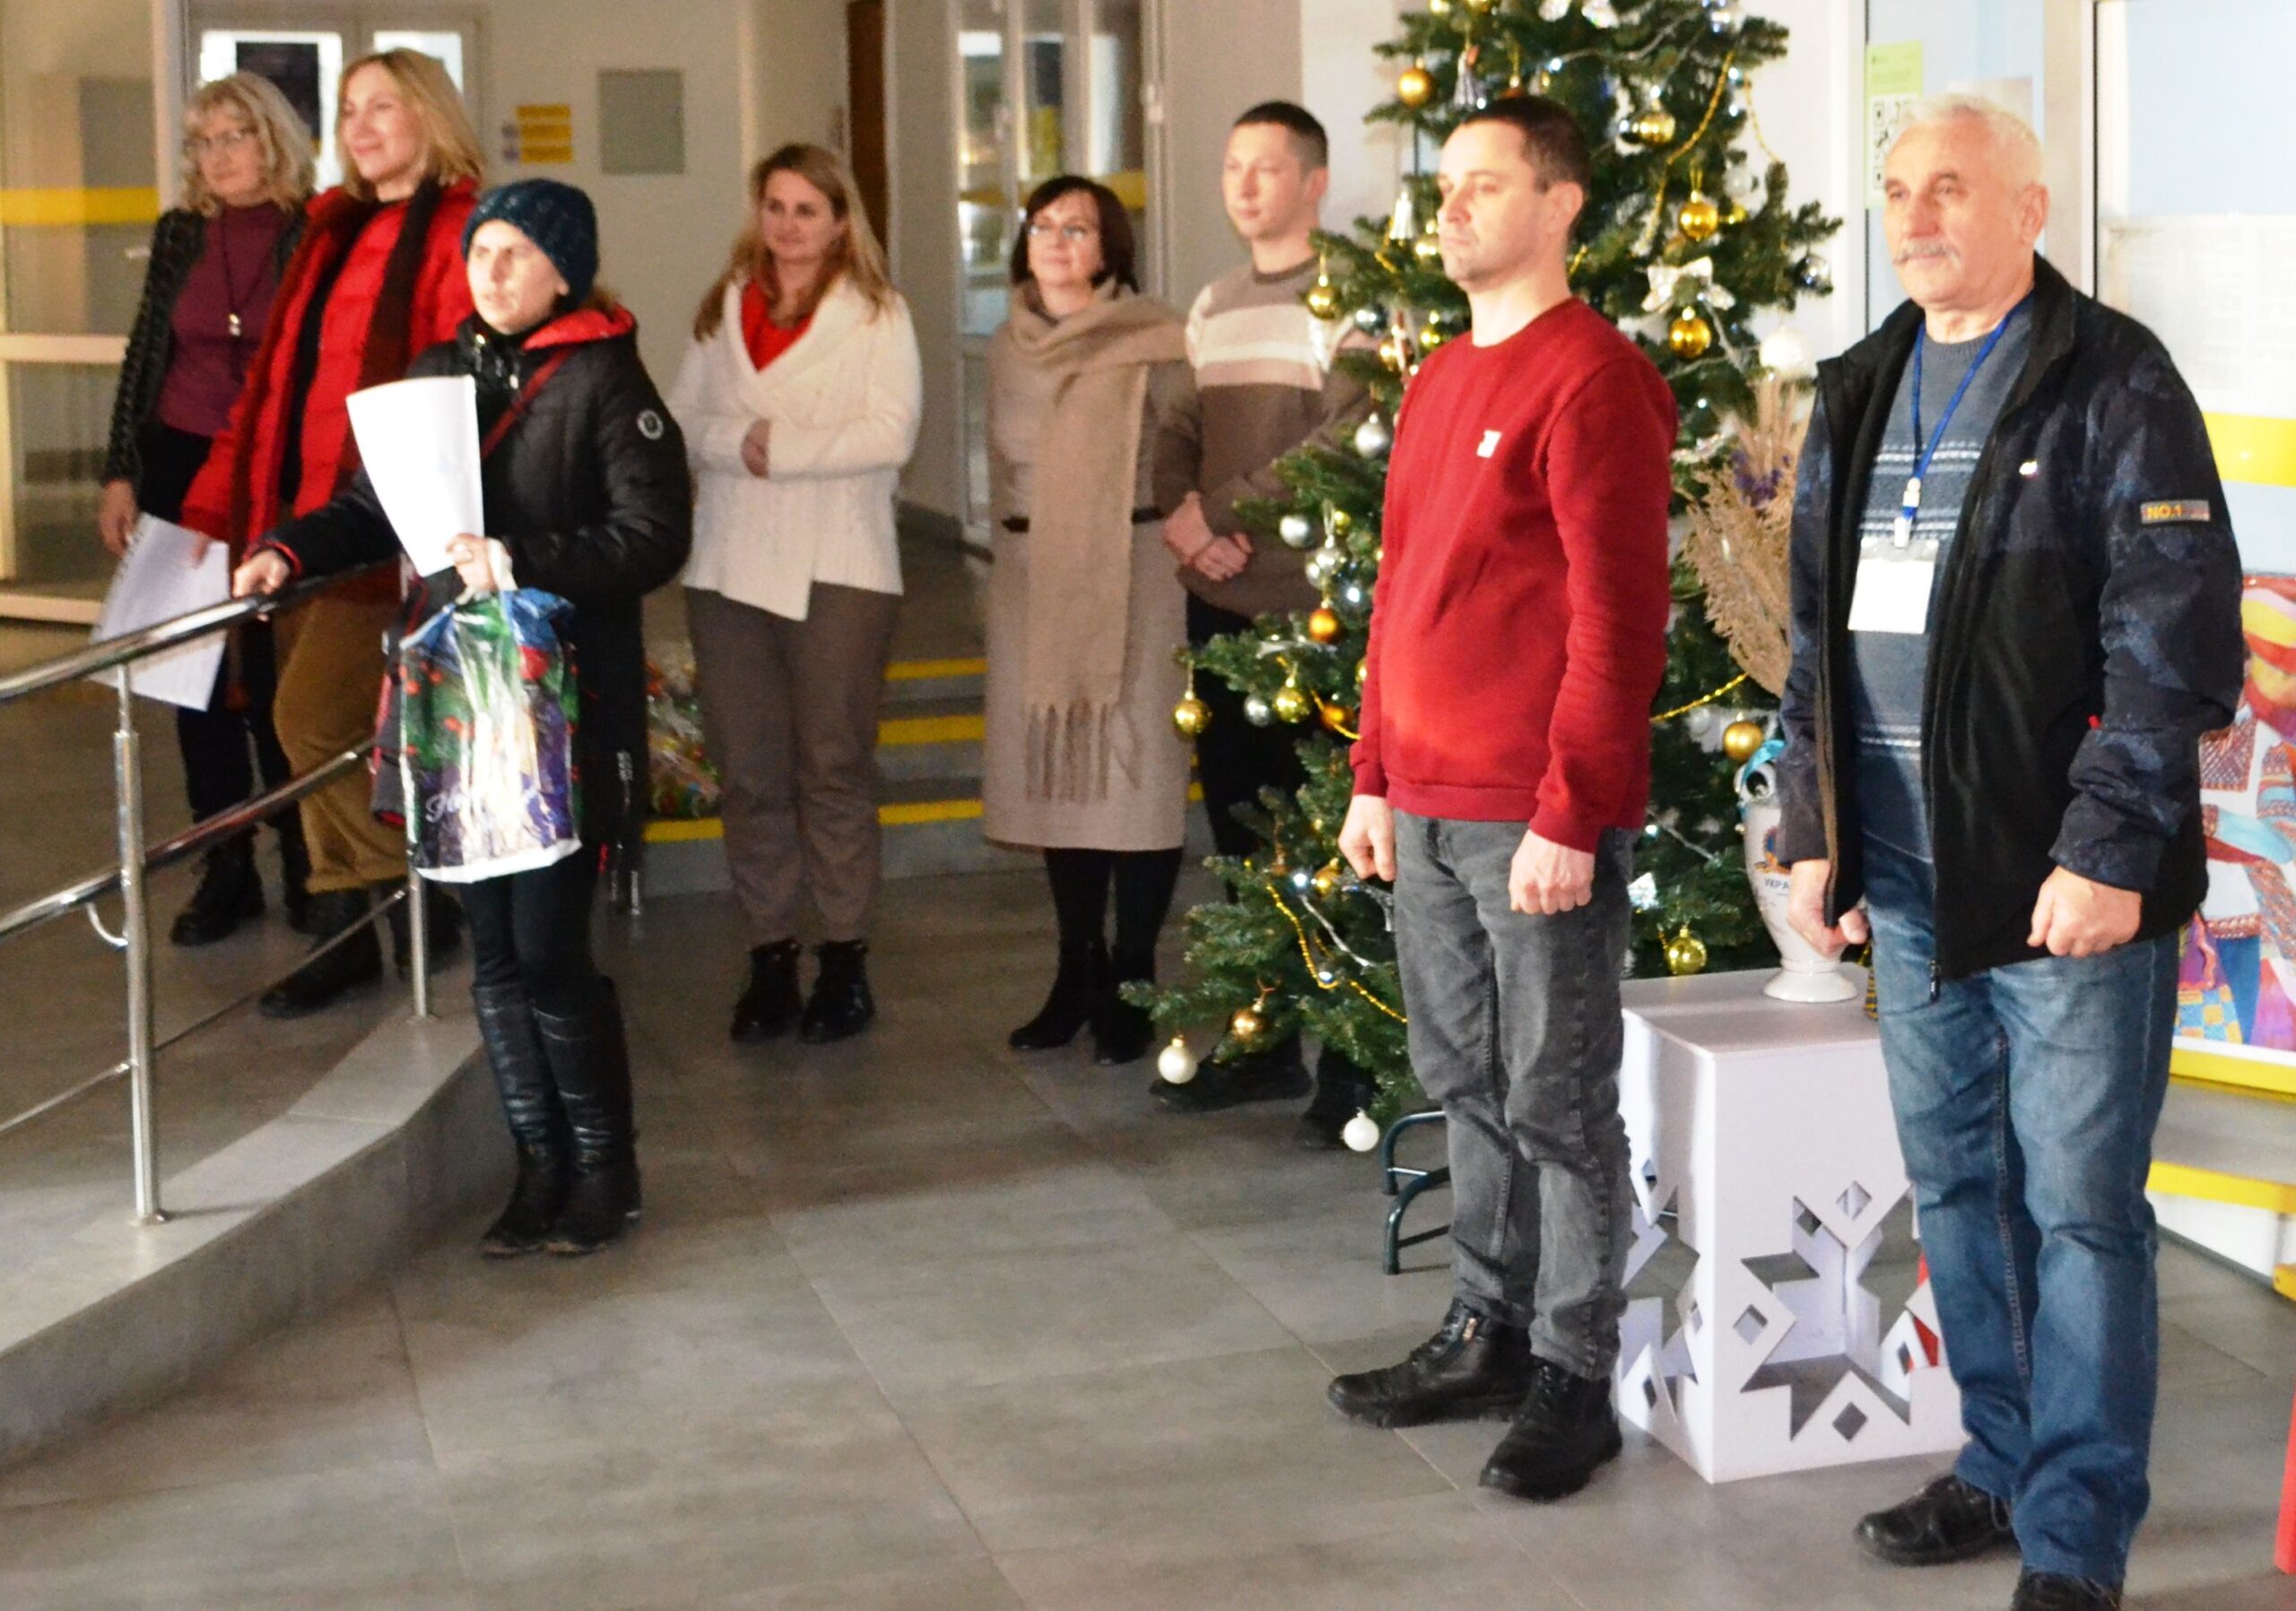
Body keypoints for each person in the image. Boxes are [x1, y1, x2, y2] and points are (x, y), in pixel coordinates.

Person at [1777, 97, 2241, 1611]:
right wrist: (1812, 830)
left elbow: (2172, 645)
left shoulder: (2113, 381)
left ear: (2031, 209)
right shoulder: (1860, 386)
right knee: (1960, 1189)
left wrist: (2108, 850)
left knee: (2082, 1214)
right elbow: (1813, 642)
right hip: (1910, 884)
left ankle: (2076, 1533)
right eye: (1896, 189)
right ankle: (1998, 1457)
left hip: (2062, 890)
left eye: (1950, 188)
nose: (1914, 217)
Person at [1326, 97, 1676, 1505]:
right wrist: (1373, 774)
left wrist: (1571, 811)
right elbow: (1400, 590)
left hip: (1532, 817)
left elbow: (1618, 622)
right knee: (1463, 1082)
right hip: (1423, 805)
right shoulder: (1436, 379)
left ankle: (1576, 1376)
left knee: (1558, 1100)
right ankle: (1489, 1329)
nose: (1453, 206)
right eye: (1446, 186)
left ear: (1560, 203)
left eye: (1486, 183)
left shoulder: (1593, 380)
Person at [232, 179, 691, 1256]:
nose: (491, 270)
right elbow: (373, 503)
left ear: (565, 272)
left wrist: (520, 558)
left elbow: (654, 535)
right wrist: (289, 548)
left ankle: (606, 1170)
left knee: (548, 947)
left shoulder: (607, 378)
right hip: (459, 708)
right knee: (489, 952)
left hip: (560, 706)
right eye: (481, 251)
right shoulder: (440, 371)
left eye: (516, 253)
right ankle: (538, 1169)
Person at [180, 48, 483, 1018]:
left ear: (429, 115)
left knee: (310, 718)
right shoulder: (328, 229)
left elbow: (458, 393)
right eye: (349, 109)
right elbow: (274, 383)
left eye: (381, 106)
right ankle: (357, 919)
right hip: (298, 525)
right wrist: (215, 508)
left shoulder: (462, 228)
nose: (360, 125)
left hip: (385, 537)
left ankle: (395, 895)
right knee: (312, 726)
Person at [1154, 100, 1378, 1141]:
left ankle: (1351, 1058)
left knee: (1329, 835)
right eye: (1231, 166)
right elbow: (1174, 427)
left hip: (1316, 616)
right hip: (1220, 603)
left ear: (1314, 182)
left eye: (1266, 167)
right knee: (1243, 833)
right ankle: (1263, 1036)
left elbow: (1349, 437)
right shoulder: (1213, 302)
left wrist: (1224, 511)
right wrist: (1183, 516)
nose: (1243, 185)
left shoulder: (1349, 298)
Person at [669, 144, 922, 1047]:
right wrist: (736, 440)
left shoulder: (878, 312)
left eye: (807, 209)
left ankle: (845, 956)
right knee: (749, 772)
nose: (788, 225)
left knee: (832, 765)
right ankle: (770, 951)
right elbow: (680, 418)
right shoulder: (725, 304)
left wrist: (780, 446)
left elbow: (892, 433)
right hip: (729, 563)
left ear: (841, 221)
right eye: (775, 207)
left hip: (837, 563)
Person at [982, 176, 1193, 1067]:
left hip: (1135, 574)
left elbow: (1187, 451)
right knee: (1056, 784)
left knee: (1133, 784)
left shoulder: (1157, 338)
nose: (1058, 241)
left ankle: (1133, 976)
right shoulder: (1008, 346)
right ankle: (1076, 969)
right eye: (1044, 225)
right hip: (1032, 582)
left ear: (1110, 247)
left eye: (1079, 227)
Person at [100, 74, 314, 947]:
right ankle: (224, 865)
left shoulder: (311, 230)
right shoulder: (182, 233)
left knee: (273, 680)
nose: (217, 156)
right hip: (178, 465)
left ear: (273, 140)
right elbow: (145, 354)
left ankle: (306, 859)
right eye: (203, 141)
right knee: (193, 683)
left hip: (272, 470)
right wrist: (121, 471)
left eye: (234, 136)